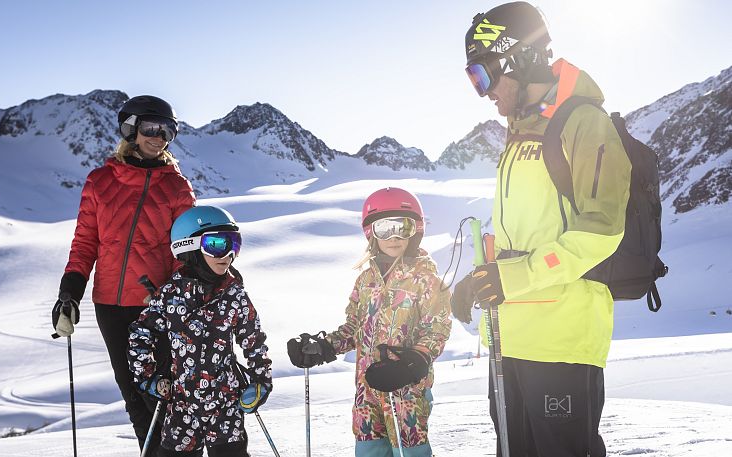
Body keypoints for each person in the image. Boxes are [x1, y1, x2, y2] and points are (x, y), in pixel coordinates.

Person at [451, 2, 632, 456]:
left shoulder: (583, 123)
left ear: (514, 57)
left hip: (561, 342)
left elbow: (602, 231)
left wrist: (513, 277)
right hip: (511, 339)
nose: (482, 91)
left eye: (482, 75)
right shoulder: (519, 135)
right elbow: (526, 237)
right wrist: (479, 282)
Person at [51, 95, 196, 455]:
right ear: (130, 128)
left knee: (163, 398)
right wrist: (70, 291)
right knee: (134, 398)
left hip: (157, 308)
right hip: (111, 307)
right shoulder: (100, 181)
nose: (158, 136)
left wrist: (178, 297)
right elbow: (86, 242)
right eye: (150, 127)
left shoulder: (177, 187)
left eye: (168, 131)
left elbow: (185, 252)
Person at [287, 187, 452, 457]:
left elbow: (437, 329)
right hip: (367, 391)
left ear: (416, 229)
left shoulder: (428, 280)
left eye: (403, 227)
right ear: (371, 233)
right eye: (384, 228)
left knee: (411, 452)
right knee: (369, 451)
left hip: (405, 389)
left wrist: (413, 364)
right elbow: (354, 328)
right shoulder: (366, 281)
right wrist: (324, 346)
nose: (394, 236)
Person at [127, 206, 272, 457]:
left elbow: (253, 339)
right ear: (189, 247)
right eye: (216, 244)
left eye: (234, 244)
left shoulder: (234, 294)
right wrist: (148, 377)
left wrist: (261, 381)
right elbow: (140, 333)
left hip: (225, 403)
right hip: (182, 404)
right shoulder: (171, 295)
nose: (227, 254)